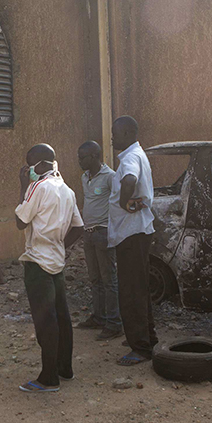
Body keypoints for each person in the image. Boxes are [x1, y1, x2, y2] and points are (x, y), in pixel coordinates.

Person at [15, 144, 84, 392]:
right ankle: (65, 368)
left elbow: (20, 221)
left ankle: (48, 377)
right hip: (56, 261)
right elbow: (78, 228)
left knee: (46, 321)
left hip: (37, 263)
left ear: (40, 164)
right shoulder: (66, 190)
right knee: (62, 317)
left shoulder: (39, 187)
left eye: (29, 164)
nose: (28, 169)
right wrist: (60, 246)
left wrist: (23, 186)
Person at [108, 116, 159, 366]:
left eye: (115, 133)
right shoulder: (137, 154)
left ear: (127, 133)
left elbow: (129, 180)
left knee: (131, 292)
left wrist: (122, 202)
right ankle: (147, 339)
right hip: (137, 231)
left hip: (131, 233)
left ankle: (140, 348)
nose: (111, 138)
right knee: (139, 288)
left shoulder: (130, 158)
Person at [75, 141, 122, 340]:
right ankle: (99, 316)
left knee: (108, 279)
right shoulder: (84, 177)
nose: (79, 161)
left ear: (94, 156)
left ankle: (114, 323)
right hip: (89, 233)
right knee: (95, 279)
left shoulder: (110, 177)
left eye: (82, 157)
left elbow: (119, 203)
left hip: (103, 233)